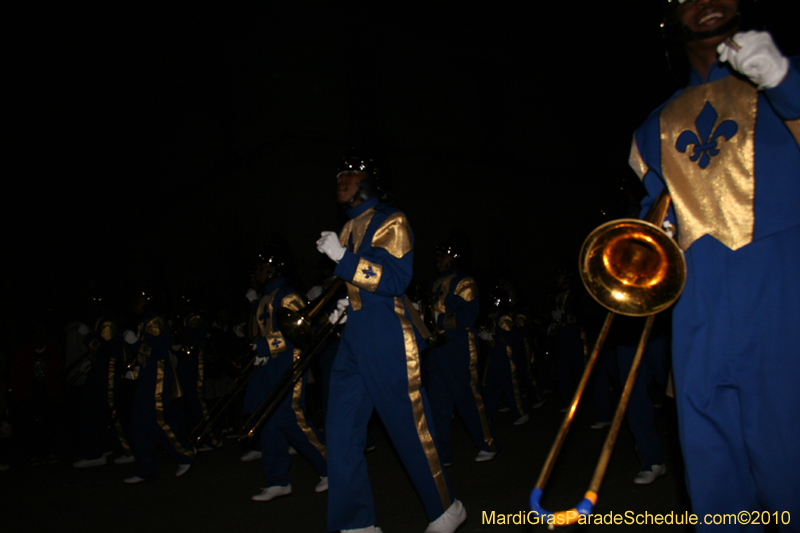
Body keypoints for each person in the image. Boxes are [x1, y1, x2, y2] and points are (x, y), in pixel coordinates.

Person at [630, 0, 799, 526]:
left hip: (782, 304)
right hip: (698, 321)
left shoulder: (783, 84)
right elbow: (653, 213)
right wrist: (651, 236)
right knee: (716, 490)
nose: (705, 3)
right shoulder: (650, 128)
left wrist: (788, 85)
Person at [316, 153, 465, 533]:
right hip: (356, 335)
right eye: (338, 174)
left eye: (350, 173)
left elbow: (394, 279)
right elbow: (361, 285)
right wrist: (345, 305)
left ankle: (445, 508)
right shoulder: (350, 227)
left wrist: (341, 258)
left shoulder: (390, 219)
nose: (342, 179)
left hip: (387, 333)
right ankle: (355, 523)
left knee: (407, 424)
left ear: (369, 180)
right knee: (341, 431)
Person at [242, 244, 328, 502]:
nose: (256, 272)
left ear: (274, 268)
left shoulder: (287, 295)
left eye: (261, 267)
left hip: (290, 362)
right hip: (271, 364)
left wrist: (265, 346)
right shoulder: (267, 296)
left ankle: (331, 468)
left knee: (290, 418)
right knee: (267, 419)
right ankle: (277, 479)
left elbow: (300, 335)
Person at [426, 238, 496, 466]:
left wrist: (439, 320)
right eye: (437, 255)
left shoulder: (464, 282)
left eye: (443, 255)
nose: (439, 260)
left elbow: (469, 316)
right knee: (438, 402)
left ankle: (487, 443)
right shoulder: (435, 283)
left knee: (466, 395)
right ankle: (441, 454)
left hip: (458, 345)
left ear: (455, 257)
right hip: (437, 349)